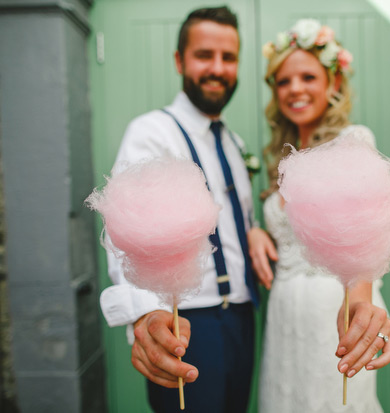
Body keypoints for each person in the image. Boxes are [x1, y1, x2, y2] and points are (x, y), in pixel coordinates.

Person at [98, 6, 273, 412]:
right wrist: (145, 315)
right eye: (204, 55)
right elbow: (127, 234)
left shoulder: (233, 141)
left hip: (244, 317)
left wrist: (255, 229)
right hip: (186, 320)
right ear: (180, 60)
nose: (217, 68)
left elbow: (233, 219)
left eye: (228, 58)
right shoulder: (151, 133)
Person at [249, 19, 390, 412]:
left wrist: (358, 303)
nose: (295, 89)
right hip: (284, 313)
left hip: (333, 308)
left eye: (308, 77)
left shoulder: (353, 142)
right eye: (283, 81)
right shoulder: (280, 156)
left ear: (333, 83)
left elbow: (363, 239)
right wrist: (255, 230)